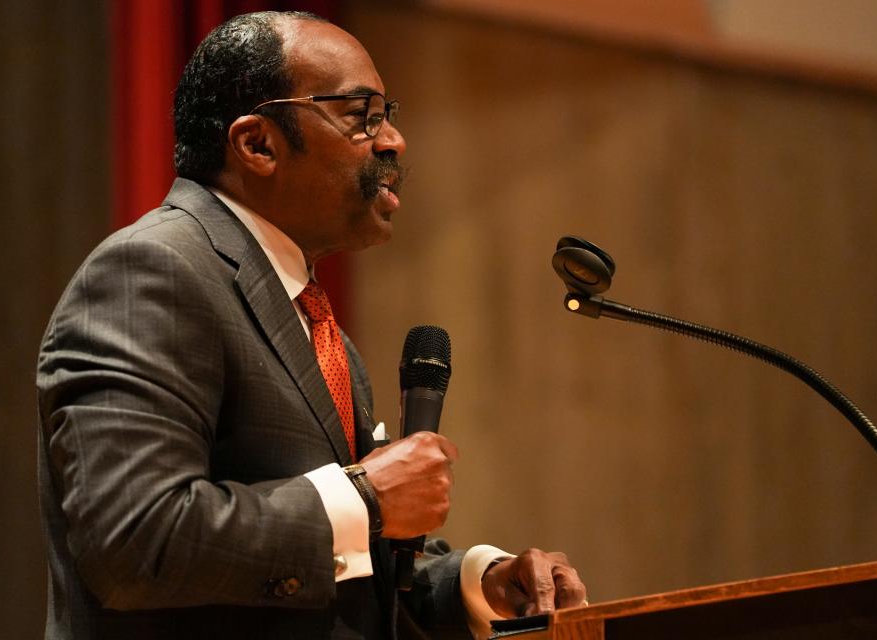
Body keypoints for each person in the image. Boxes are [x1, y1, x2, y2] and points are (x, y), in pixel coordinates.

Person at [36, 10, 586, 640]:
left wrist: (475, 582)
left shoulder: (311, 319)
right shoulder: (151, 272)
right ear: (259, 144)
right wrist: (366, 497)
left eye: (389, 114)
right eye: (362, 115)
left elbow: (338, 575)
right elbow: (134, 543)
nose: (393, 141)